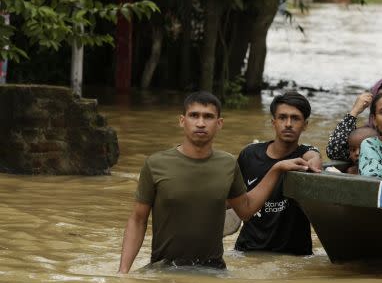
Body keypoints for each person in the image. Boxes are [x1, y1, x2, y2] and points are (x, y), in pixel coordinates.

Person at [119, 92, 310, 273]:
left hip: (214, 271)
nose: (201, 123)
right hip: (165, 269)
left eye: (208, 117)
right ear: (182, 121)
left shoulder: (228, 164)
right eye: (194, 115)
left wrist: (276, 169)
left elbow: (246, 209)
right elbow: (137, 219)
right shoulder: (155, 164)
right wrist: (123, 273)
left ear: (219, 124)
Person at [235, 91, 321, 256]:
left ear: (305, 125)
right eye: (282, 117)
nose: (288, 124)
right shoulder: (249, 154)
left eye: (295, 118)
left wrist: (314, 160)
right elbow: (232, 200)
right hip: (247, 251)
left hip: (295, 255)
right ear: (273, 122)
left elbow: (314, 158)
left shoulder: (306, 154)